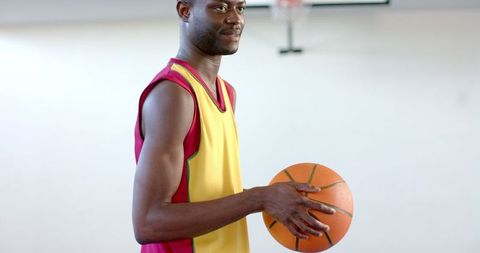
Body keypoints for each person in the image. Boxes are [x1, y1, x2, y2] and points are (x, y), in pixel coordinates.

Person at [132, 0, 335, 252]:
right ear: (185, 11)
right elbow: (148, 223)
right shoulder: (174, 95)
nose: (234, 18)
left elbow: (206, 194)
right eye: (220, 7)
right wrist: (259, 197)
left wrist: (276, 199)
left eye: (240, 8)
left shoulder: (226, 93)